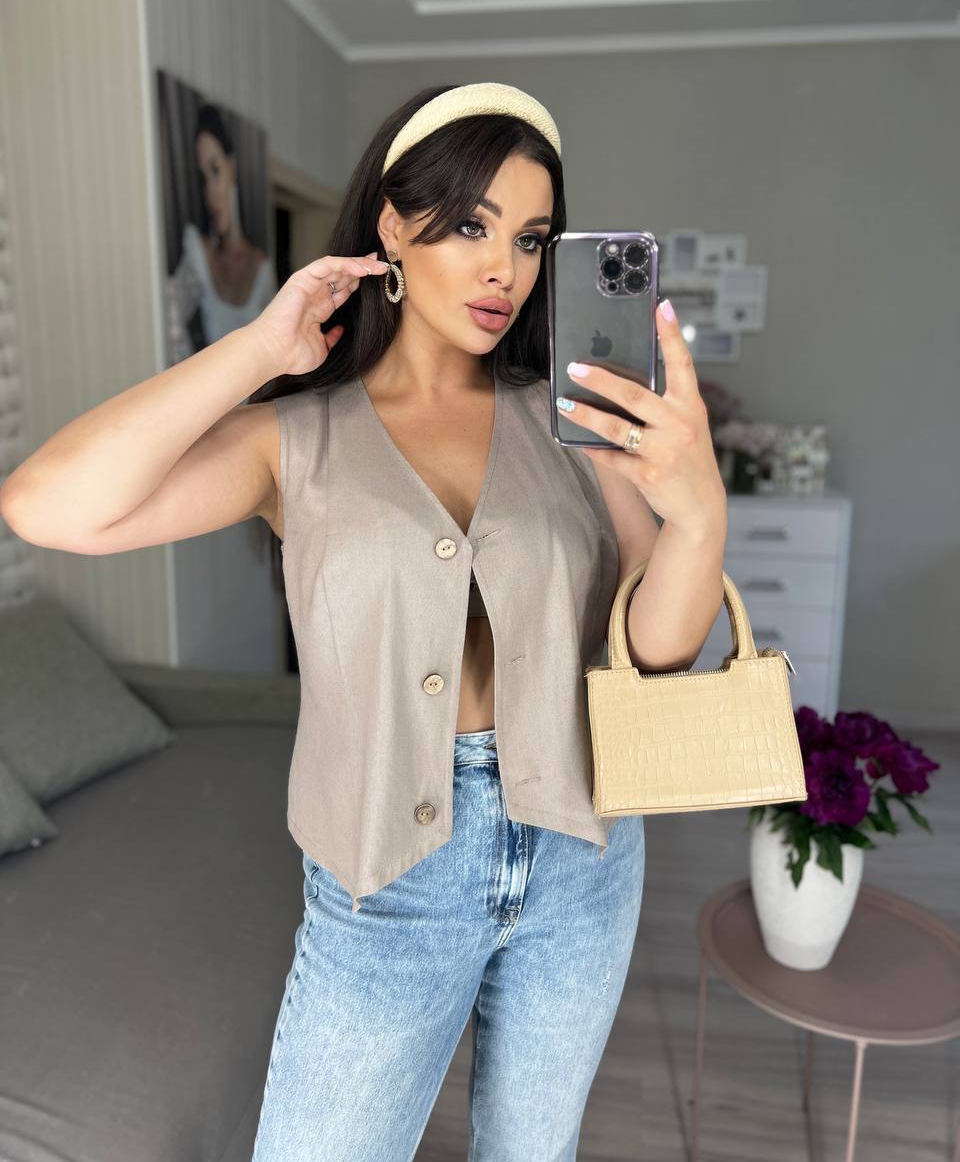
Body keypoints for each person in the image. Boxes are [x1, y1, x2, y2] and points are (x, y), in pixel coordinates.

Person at [0, 81, 727, 1161]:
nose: (505, 268)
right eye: (472, 225)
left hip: (586, 853)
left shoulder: (571, 421)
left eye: (531, 239)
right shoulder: (294, 438)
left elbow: (661, 652)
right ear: (392, 225)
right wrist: (261, 349)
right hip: (388, 878)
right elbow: (45, 505)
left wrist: (699, 507)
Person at [165, 102, 278, 364]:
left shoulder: (262, 268)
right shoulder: (199, 252)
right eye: (202, 178)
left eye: (215, 170)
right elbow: (169, 324)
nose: (210, 193)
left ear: (232, 167)